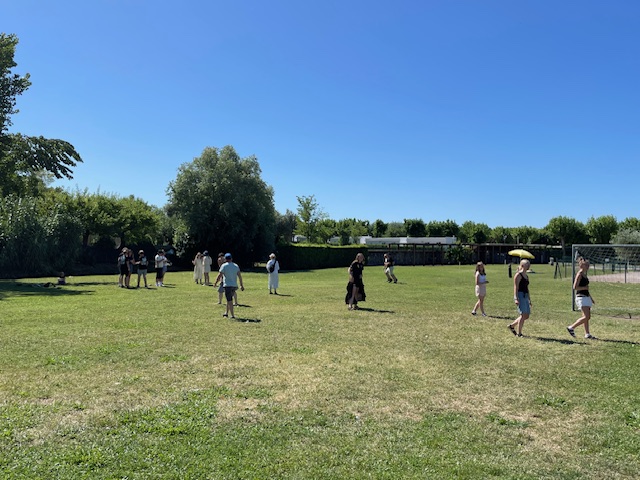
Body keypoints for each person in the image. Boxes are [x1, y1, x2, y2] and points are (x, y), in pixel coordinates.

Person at [567, 257, 596, 339]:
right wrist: (584, 288)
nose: (588, 266)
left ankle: (587, 334)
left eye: (588, 265)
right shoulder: (579, 274)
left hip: (586, 297)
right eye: (586, 265)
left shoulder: (584, 274)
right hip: (581, 297)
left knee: (585, 317)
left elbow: (586, 288)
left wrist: (591, 298)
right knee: (587, 316)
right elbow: (575, 287)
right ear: (581, 266)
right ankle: (571, 327)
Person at [214, 253, 244, 319]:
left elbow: (220, 275)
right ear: (231, 259)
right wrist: (241, 285)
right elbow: (239, 276)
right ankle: (226, 313)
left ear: (225, 259)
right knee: (229, 299)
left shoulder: (224, 266)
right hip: (234, 285)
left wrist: (215, 283)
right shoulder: (235, 266)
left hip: (227, 285)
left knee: (229, 300)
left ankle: (232, 315)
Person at [508, 259, 531, 337]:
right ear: (522, 265)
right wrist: (516, 298)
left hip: (525, 295)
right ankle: (519, 333)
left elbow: (527, 288)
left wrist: (529, 299)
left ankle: (512, 326)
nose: (528, 265)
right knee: (523, 315)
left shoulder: (526, 276)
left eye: (529, 264)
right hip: (520, 295)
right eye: (527, 264)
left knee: (526, 316)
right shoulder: (518, 275)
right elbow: (516, 287)